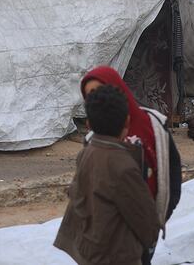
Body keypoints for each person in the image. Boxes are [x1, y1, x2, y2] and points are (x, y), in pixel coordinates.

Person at [81, 67, 182, 264]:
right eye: (89, 95)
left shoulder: (154, 125)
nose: (96, 99)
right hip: (110, 239)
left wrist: (160, 217)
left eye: (100, 91)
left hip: (145, 227)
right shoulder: (93, 144)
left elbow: (172, 173)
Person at [55, 85, 162, 265]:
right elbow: (146, 221)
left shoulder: (86, 153)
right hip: (117, 256)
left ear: (88, 125)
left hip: (89, 251)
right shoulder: (124, 166)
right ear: (127, 122)